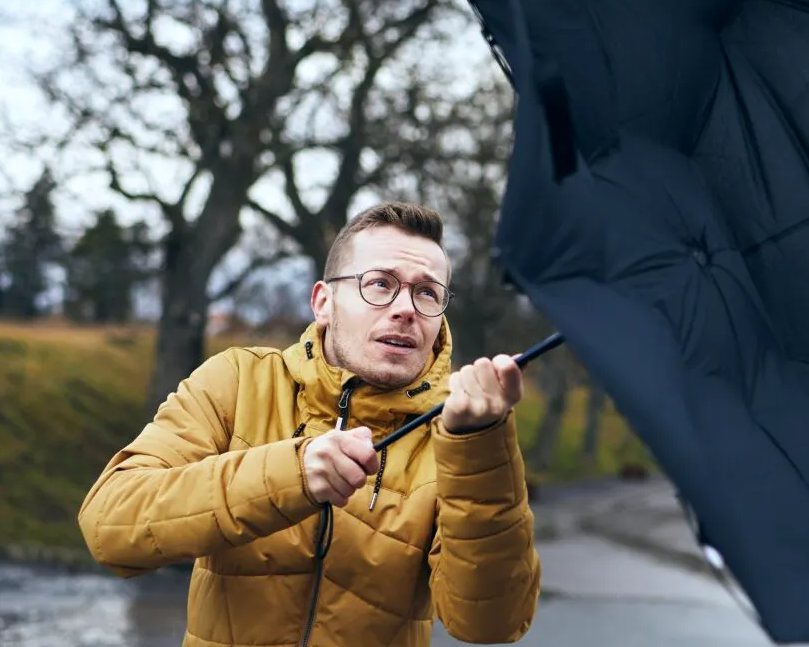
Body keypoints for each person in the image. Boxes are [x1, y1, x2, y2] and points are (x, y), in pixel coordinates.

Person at [77, 202, 541, 647]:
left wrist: (479, 449)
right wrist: (292, 474)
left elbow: (490, 623)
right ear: (324, 301)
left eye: (427, 293)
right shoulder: (239, 381)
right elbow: (111, 527)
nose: (405, 308)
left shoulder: (456, 438)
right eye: (380, 284)